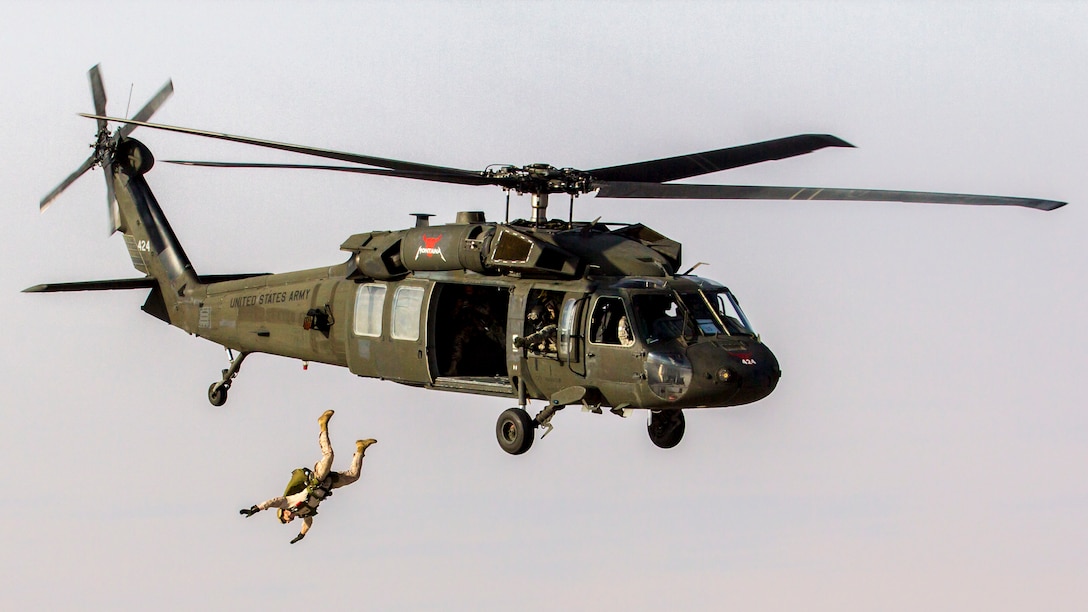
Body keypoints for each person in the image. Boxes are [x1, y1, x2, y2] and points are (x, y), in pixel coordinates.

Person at [239, 409, 376, 544]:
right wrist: (301, 534)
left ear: (283, 512)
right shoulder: (303, 514)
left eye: (285, 519)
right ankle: (360, 448)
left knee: (329, 455)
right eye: (287, 522)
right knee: (354, 476)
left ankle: (322, 425)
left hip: (317, 478)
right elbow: (308, 523)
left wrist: (256, 508)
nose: (289, 520)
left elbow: (272, 502)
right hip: (328, 484)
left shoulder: (288, 502)